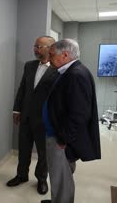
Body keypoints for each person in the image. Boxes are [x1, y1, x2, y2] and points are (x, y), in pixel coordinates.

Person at [41, 39, 101, 203]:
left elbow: (79, 114)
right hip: (58, 134)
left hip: (60, 139)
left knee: (61, 177)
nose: (49, 57)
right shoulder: (69, 71)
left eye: (52, 55)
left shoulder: (76, 75)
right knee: (61, 176)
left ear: (65, 55)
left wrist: (63, 139)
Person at [6, 36, 58, 195]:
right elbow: (23, 89)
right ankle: (21, 175)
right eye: (35, 46)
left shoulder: (58, 69)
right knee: (23, 149)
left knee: (44, 153)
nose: (35, 49)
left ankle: (41, 179)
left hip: (45, 121)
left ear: (50, 48)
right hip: (26, 117)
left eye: (39, 46)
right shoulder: (29, 66)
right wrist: (16, 110)